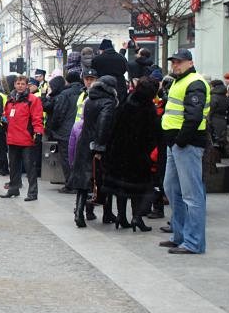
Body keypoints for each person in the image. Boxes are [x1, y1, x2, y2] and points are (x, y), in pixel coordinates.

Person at [159, 49, 210, 254]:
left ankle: (193, 242)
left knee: (191, 194)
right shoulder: (180, 81)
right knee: (172, 188)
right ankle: (180, 235)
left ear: (190, 62)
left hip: (186, 144)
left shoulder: (194, 82)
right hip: (177, 144)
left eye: (179, 62)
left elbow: (194, 115)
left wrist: (180, 140)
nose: (175, 65)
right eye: (173, 62)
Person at [102, 77, 160, 232]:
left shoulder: (126, 101)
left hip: (119, 151)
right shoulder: (148, 108)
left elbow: (113, 125)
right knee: (138, 187)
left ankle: (121, 216)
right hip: (138, 154)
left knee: (121, 185)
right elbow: (153, 133)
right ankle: (137, 217)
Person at [67, 75, 118, 228]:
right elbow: (103, 126)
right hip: (98, 145)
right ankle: (107, 213)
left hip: (84, 142)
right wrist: (100, 146)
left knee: (84, 180)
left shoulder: (89, 99)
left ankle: (79, 212)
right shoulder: (108, 103)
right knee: (103, 179)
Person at [0, 75, 44, 201]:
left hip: (26, 139)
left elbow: (37, 118)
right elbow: (6, 114)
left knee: (30, 167)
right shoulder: (10, 99)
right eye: (18, 83)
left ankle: (32, 193)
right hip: (13, 138)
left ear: (26, 85)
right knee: (13, 166)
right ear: (14, 84)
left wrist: (38, 132)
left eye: (23, 84)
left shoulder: (32, 100)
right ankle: (13, 189)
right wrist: (4, 120)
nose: (20, 86)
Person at [47, 71, 83, 193]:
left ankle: (70, 184)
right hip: (81, 129)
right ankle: (80, 184)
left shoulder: (65, 94)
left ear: (67, 81)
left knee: (67, 158)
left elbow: (58, 113)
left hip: (65, 131)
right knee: (79, 158)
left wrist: (54, 127)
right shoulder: (84, 92)